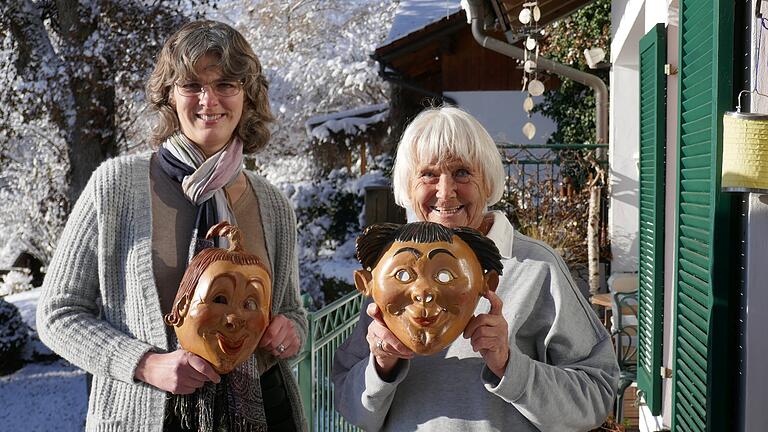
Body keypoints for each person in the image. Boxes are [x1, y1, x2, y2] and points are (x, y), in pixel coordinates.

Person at [37, 20, 307, 432]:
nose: (209, 100)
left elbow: (292, 313)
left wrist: (291, 332)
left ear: (248, 96)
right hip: (150, 414)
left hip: (263, 413)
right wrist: (145, 364)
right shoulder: (116, 187)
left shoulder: (274, 205)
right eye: (192, 85)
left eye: (226, 84)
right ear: (169, 94)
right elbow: (58, 313)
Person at [332, 106, 619, 431]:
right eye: (428, 174)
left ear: (487, 180)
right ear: (408, 187)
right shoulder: (391, 268)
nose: (445, 191)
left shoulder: (535, 267)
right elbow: (352, 408)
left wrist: (510, 365)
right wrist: (381, 365)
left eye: (462, 172)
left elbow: (595, 397)